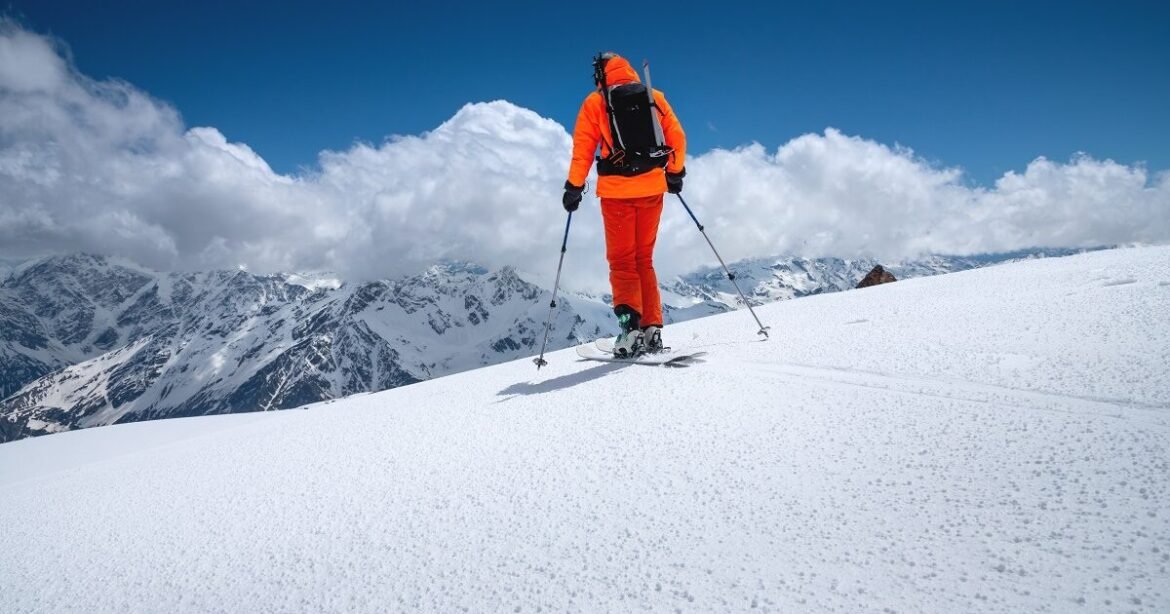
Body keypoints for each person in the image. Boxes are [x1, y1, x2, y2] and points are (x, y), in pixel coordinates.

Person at [562, 52, 687, 357]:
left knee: (622, 262)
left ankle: (630, 331)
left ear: (600, 75)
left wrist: (574, 187)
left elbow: (583, 150)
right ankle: (652, 330)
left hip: (617, 194)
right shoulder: (652, 95)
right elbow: (677, 137)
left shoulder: (596, 102)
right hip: (652, 189)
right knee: (644, 260)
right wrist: (675, 173)